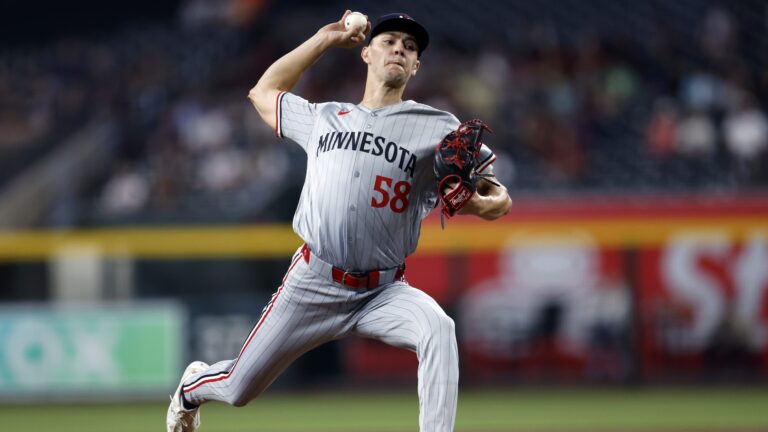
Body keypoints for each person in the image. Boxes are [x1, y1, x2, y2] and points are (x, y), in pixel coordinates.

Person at [166, 10, 512, 432]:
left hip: (382, 292)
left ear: (416, 65)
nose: (400, 48)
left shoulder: (438, 127)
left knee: (438, 327)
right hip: (313, 282)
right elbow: (263, 91)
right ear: (366, 52)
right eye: (389, 41)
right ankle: (191, 388)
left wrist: (478, 201)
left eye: (410, 46)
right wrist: (325, 38)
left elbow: (497, 195)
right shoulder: (324, 117)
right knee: (239, 388)